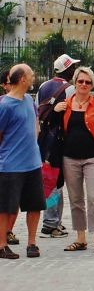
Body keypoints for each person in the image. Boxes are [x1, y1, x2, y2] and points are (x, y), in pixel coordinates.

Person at [54, 66, 94, 254]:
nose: (84, 85)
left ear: (92, 85)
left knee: (93, 197)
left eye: (87, 82)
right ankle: (80, 238)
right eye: (80, 81)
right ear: (75, 83)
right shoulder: (65, 104)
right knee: (76, 199)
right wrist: (55, 109)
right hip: (70, 157)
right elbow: (56, 125)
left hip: (93, 157)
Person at [0, 64, 44, 259]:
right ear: (22, 80)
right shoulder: (5, 106)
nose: (34, 77)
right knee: (5, 208)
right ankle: (1, 244)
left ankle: (32, 243)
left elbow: (35, 123)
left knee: (34, 205)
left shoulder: (28, 99)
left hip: (33, 163)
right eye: (31, 75)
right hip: (10, 165)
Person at [36, 53, 80, 239]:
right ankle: (49, 224)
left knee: (52, 178)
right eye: (73, 68)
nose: (74, 71)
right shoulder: (70, 90)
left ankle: (55, 221)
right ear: (67, 70)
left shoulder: (42, 87)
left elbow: (38, 113)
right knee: (55, 181)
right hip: (61, 140)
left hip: (45, 139)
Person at [0, 69, 20, 248]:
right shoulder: (3, 104)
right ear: (4, 86)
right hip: (5, 156)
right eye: (9, 82)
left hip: (18, 159)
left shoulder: (26, 101)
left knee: (14, 201)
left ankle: (7, 230)